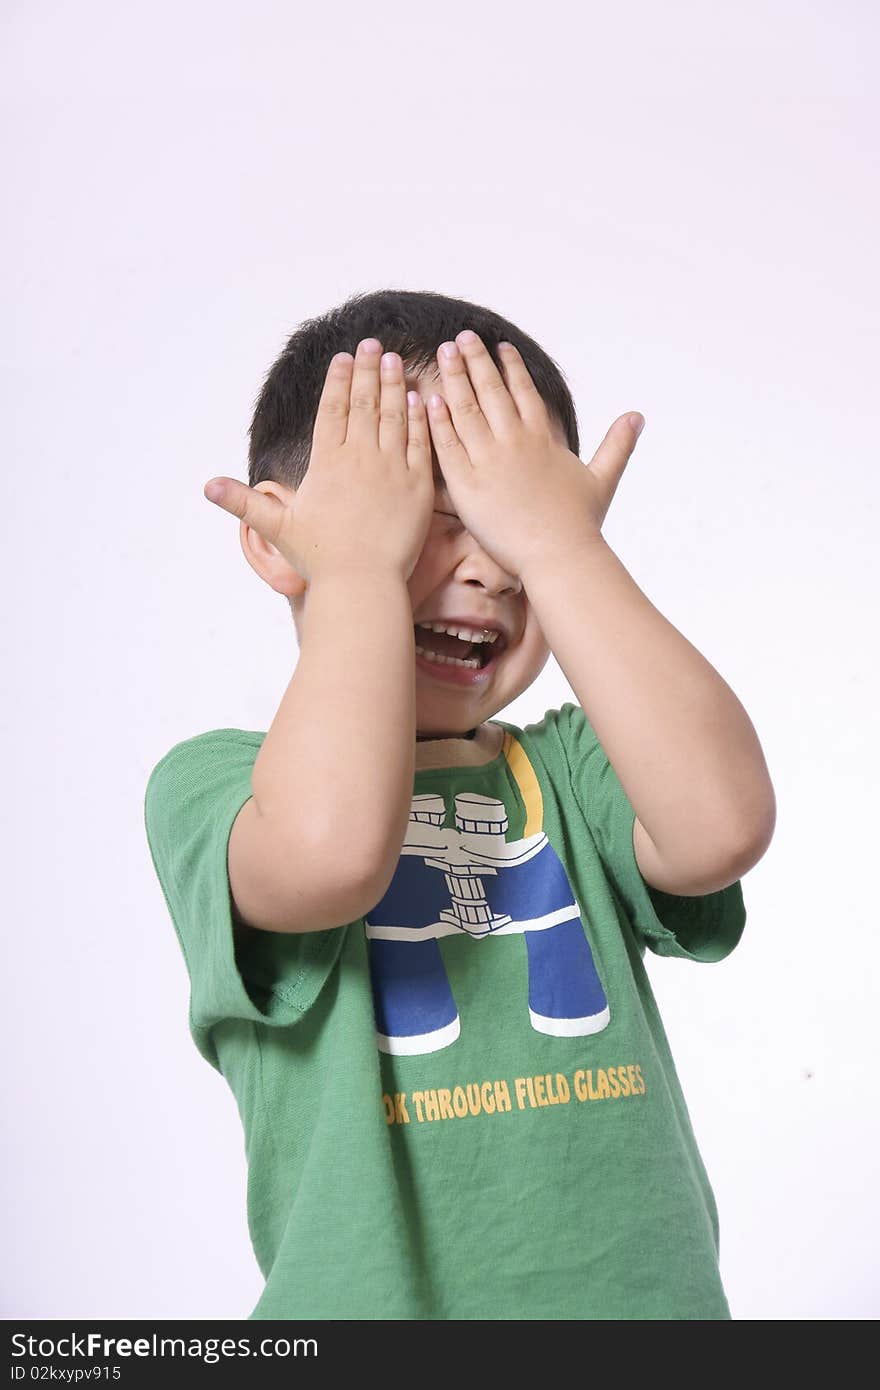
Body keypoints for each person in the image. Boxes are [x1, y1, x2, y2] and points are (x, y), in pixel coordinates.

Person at [144, 288, 776, 1320]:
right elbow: (333, 851)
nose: (488, 567)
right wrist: (353, 564)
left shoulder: (575, 767)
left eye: (510, 529)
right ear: (277, 540)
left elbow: (718, 829)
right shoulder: (217, 789)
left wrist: (565, 548)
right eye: (433, 520)